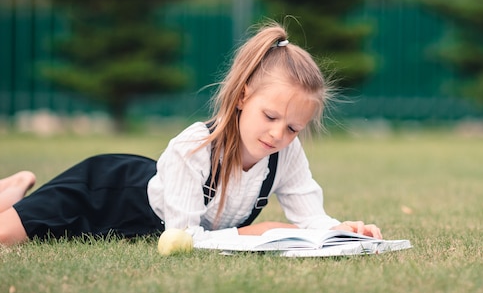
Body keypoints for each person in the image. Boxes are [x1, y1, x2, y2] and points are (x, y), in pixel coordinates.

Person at [0, 22, 382, 246]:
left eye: (293, 127)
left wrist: (343, 231)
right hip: (101, 193)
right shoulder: (193, 148)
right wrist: (256, 232)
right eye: (269, 116)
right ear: (243, 95)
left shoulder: (287, 153)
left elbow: (310, 216)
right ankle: (17, 188)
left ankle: (16, 191)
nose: (278, 134)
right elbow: (183, 237)